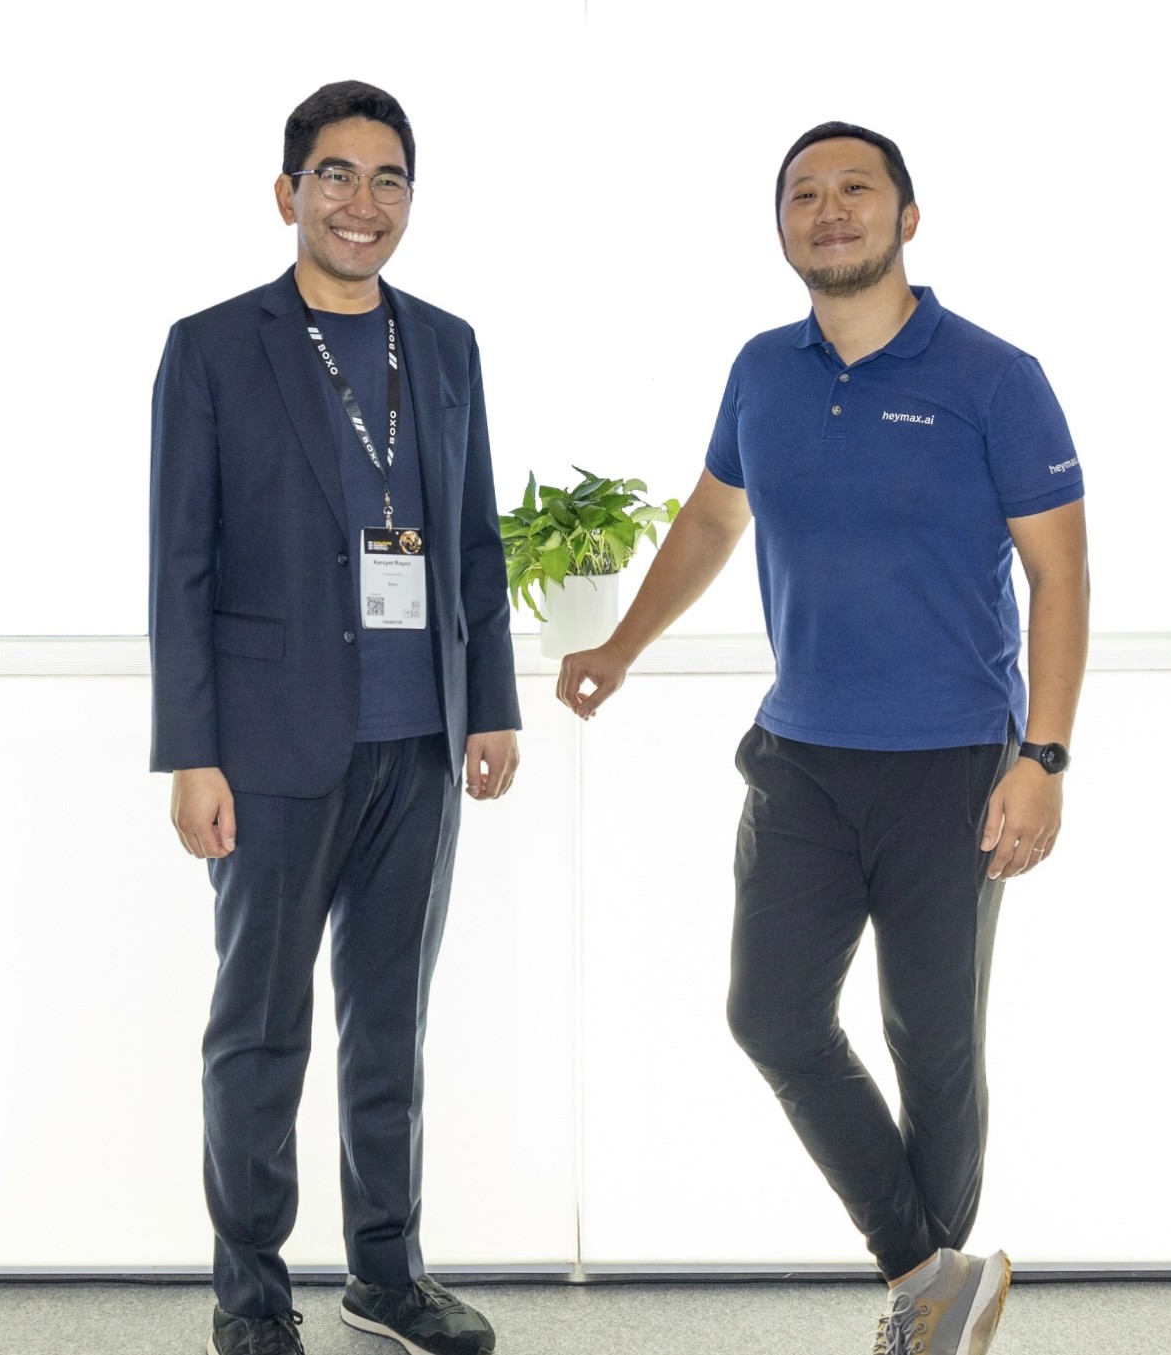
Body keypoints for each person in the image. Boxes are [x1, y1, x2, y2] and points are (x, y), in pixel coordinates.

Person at [558, 124, 1090, 1355]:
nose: (828, 208)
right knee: (771, 1015)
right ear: (781, 226)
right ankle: (928, 1275)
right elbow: (710, 519)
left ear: (908, 217)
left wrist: (1043, 758)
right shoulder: (761, 370)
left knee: (931, 1042)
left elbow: (1058, 576)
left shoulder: (994, 377)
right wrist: (620, 646)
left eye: (855, 188)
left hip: (953, 763)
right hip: (799, 757)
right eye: (803, 193)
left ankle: (924, 1315)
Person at [150, 81, 521, 1355]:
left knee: (389, 1023)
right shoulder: (213, 347)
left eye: (388, 179)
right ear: (287, 194)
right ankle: (250, 1296)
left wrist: (490, 705)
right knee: (259, 1031)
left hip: (420, 742)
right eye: (336, 176)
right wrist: (191, 752)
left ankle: (387, 1276)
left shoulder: (447, 345)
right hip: (270, 748)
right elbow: (179, 565)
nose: (363, 204)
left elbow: (472, 539)